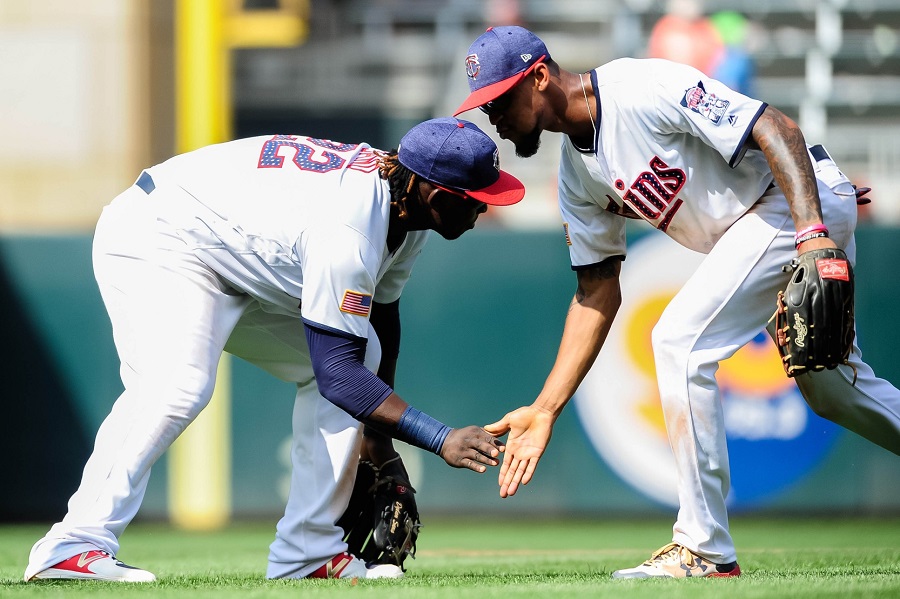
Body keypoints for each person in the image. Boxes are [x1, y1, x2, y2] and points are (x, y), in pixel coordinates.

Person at [454, 26, 900, 578]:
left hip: (790, 207)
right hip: (770, 217)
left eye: (498, 100)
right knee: (835, 390)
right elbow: (596, 293)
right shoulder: (577, 175)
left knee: (678, 342)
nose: (491, 117)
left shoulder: (640, 86)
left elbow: (775, 126)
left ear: (539, 77)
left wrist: (811, 226)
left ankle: (704, 548)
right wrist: (544, 409)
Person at [24, 117, 523, 583]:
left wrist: (381, 447)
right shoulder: (349, 228)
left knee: (363, 350)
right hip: (161, 235)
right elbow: (337, 375)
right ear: (433, 192)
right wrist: (440, 439)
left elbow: (380, 323)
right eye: (475, 197)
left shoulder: (404, 208)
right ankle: (72, 544)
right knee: (177, 385)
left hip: (238, 258)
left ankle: (308, 553)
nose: (485, 208)